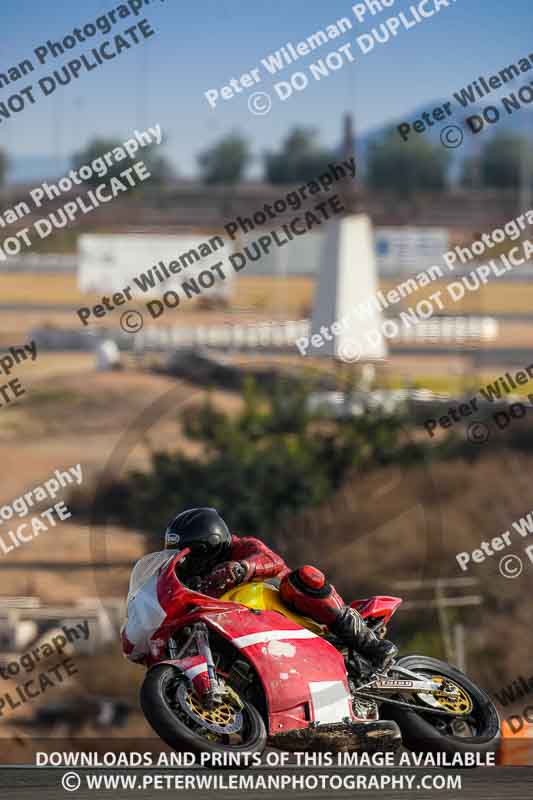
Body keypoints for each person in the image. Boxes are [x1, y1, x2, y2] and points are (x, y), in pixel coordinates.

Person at [122, 507, 397, 669]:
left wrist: (241, 569)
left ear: (209, 545)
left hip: (288, 612)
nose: (185, 561)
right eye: (177, 555)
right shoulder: (188, 579)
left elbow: (270, 560)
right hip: (244, 638)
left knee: (303, 578)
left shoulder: (242, 547)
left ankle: (368, 644)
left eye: (189, 554)